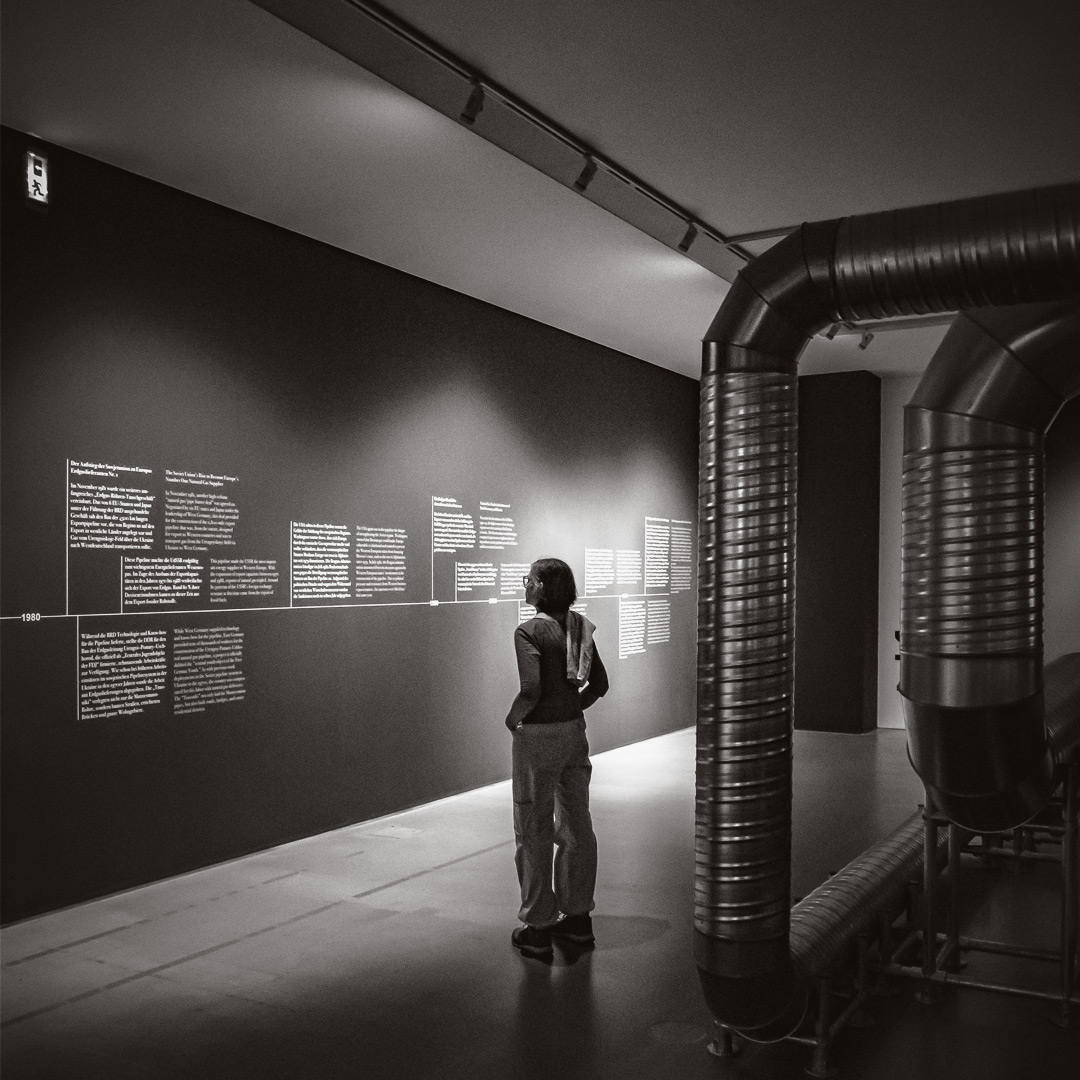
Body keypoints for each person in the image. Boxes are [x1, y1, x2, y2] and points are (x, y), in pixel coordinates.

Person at [506, 557, 609, 960]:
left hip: (538, 740)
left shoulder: (529, 631)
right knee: (577, 824)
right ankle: (578, 920)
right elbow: (600, 683)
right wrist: (572, 708)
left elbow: (531, 688)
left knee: (533, 827)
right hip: (573, 735)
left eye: (530, 580)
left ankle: (538, 927)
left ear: (544, 588)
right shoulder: (579, 627)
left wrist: (513, 718)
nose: (525, 585)